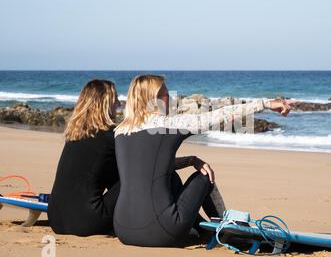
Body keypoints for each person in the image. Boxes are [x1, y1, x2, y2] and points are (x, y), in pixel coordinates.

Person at [113, 74, 294, 247]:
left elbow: (148, 165)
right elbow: (223, 114)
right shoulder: (168, 125)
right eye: (167, 95)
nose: (171, 100)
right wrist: (267, 103)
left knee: (170, 177)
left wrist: (190, 159)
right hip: (162, 231)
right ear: (154, 99)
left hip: (123, 229)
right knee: (203, 176)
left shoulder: (120, 131)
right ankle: (228, 231)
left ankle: (202, 228)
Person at [48, 79, 121, 236]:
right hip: (86, 223)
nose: (119, 105)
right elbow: (133, 174)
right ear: (105, 103)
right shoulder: (110, 137)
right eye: (115, 100)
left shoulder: (75, 134)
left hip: (55, 219)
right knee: (137, 175)